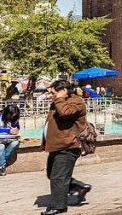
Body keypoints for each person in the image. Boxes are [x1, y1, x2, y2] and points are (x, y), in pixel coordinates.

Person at [42, 79, 92, 215]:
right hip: (58, 145)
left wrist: (59, 99)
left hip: (68, 145)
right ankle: (79, 187)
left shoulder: (76, 102)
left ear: (63, 91)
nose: (52, 95)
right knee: (52, 174)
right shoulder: (62, 100)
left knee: (58, 177)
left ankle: (58, 206)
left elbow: (65, 112)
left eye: (54, 93)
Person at [0, 103, 21, 176]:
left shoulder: (13, 118)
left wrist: (16, 130)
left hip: (9, 139)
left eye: (13, 116)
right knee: (0, 147)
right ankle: (2, 167)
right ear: (6, 113)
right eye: (10, 115)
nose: (11, 117)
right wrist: (8, 131)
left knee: (15, 143)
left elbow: (17, 127)